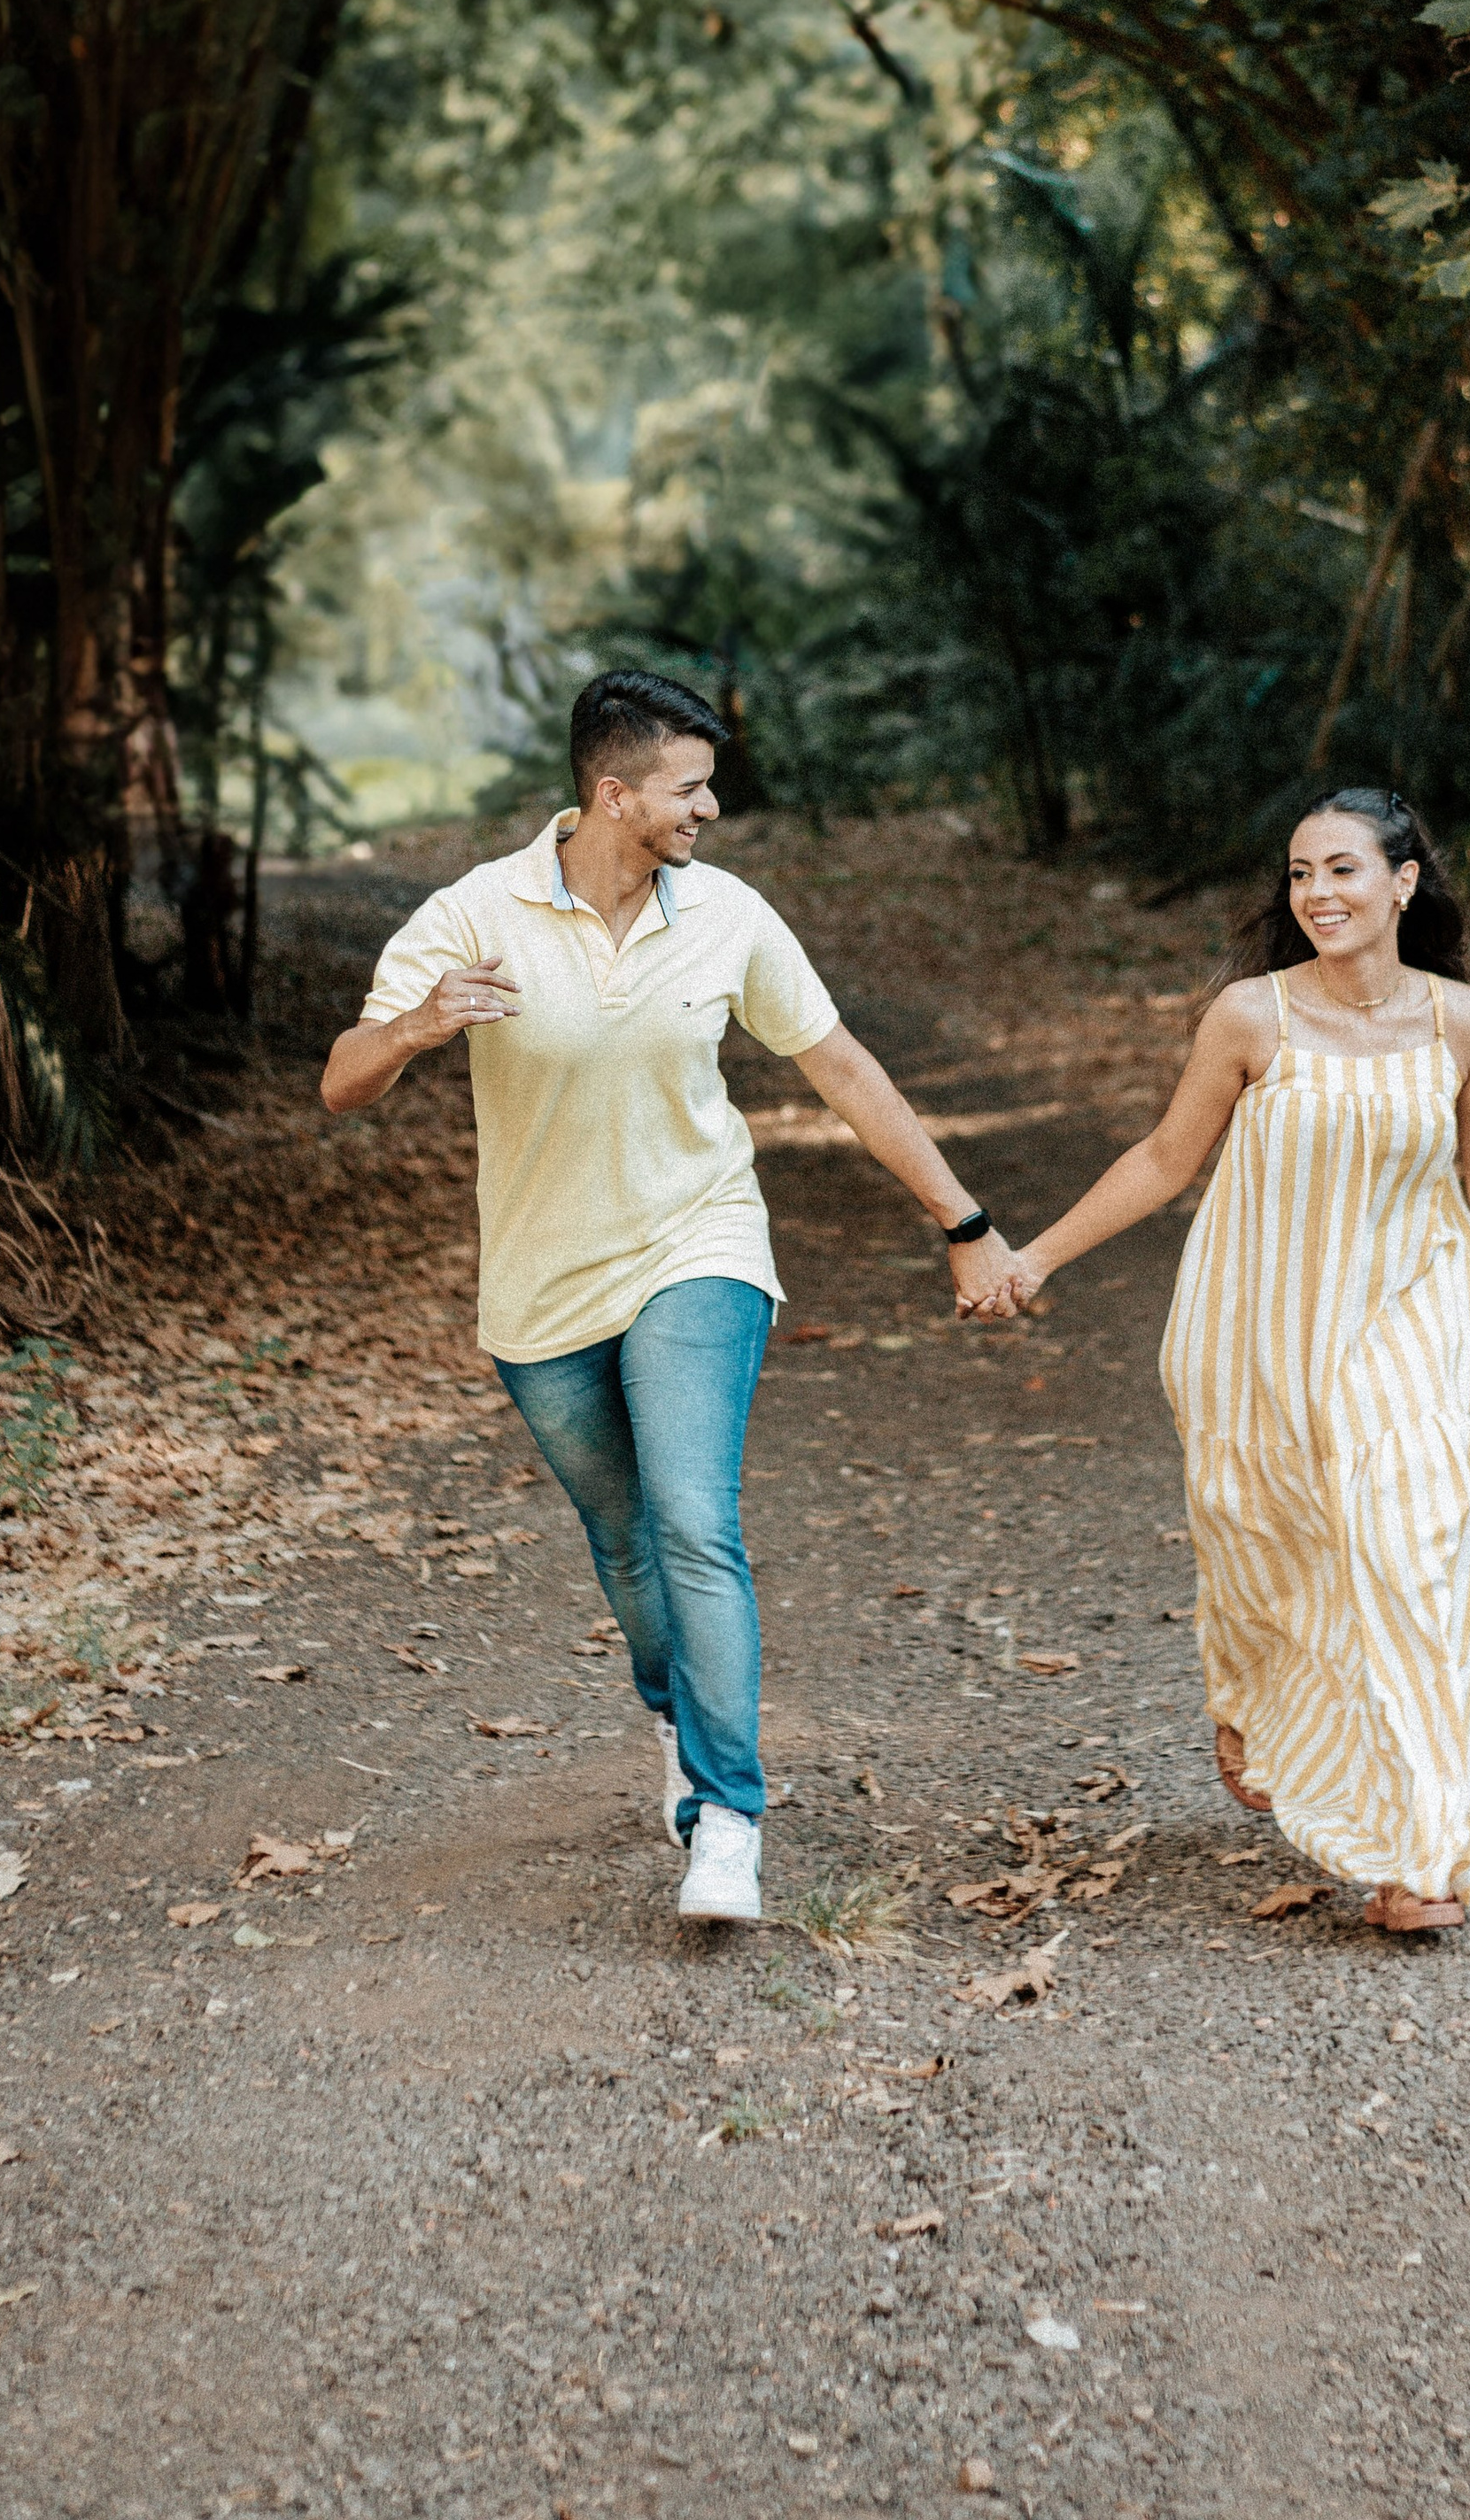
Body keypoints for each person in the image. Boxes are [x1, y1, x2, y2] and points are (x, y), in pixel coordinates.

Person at [320, 669, 1017, 1927]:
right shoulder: (477, 911)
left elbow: (842, 1065)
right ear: (614, 791)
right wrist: (420, 1023)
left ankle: (727, 1816)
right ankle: (675, 1711)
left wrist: (963, 1220)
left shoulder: (729, 914)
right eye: (691, 787)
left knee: (694, 1517)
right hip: (542, 1284)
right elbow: (343, 1080)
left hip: (700, 1243)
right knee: (627, 1542)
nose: (710, 809)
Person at [976, 787, 1470, 1934]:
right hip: (1256, 1334)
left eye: (1343, 869)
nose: (1318, 894)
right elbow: (1162, 1159)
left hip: (1400, 1328)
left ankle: (1422, 1855)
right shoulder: (1253, 1018)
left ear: (1404, 881)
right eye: (1300, 874)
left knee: (1412, 1540)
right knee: (1274, 1550)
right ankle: (1251, 1691)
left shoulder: (1463, 1021)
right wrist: (1035, 1258)